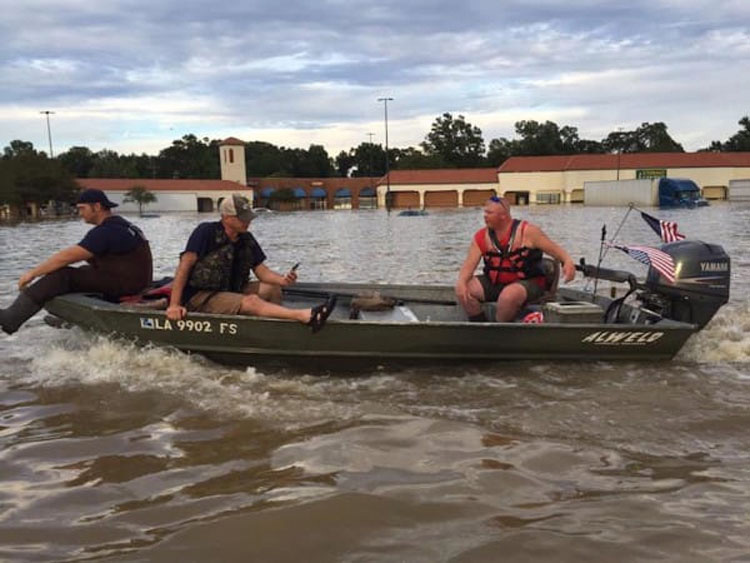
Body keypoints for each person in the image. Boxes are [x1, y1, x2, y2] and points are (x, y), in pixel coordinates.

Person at [166, 193, 336, 332]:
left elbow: (262, 272)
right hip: (201, 297)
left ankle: (277, 328)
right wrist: (174, 305)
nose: (248, 222)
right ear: (226, 217)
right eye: (242, 218)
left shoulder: (246, 239)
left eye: (248, 217)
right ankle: (305, 316)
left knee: (272, 288)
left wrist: (283, 280)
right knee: (252, 301)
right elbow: (183, 268)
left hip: (232, 290)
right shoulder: (205, 232)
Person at [0, 188, 153, 334]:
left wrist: (32, 274)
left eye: (82, 208)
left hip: (127, 285)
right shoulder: (121, 225)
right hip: (134, 281)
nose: (80, 213)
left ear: (97, 206)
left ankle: (12, 318)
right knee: (81, 272)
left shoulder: (106, 231)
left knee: (63, 276)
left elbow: (66, 257)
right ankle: (72, 318)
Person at [456, 195, 575, 322]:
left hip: (529, 283)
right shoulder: (481, 237)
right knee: (465, 289)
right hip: (496, 283)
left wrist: (567, 263)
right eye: (485, 212)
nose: (485, 216)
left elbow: (557, 251)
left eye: (489, 213)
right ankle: (480, 325)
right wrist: (461, 283)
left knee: (508, 296)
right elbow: (468, 267)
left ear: (503, 216)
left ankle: (501, 330)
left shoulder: (528, 232)